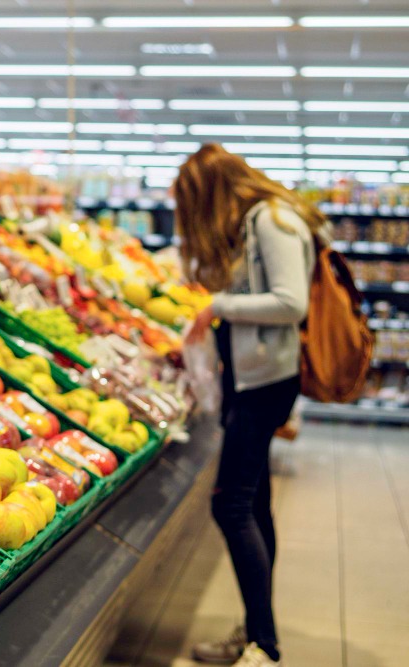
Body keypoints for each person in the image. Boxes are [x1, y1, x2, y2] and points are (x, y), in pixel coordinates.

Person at [175, 144, 326, 667]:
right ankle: (258, 632)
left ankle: (265, 648)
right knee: (254, 506)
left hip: (267, 384)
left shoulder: (273, 219)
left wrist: (217, 305)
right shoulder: (255, 224)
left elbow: (290, 302)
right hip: (251, 380)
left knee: (230, 505)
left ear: (212, 192)